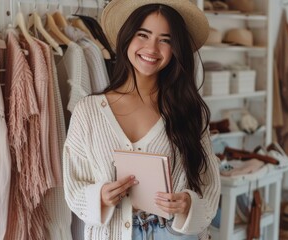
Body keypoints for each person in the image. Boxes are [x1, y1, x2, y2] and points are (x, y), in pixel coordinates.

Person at [63, 0, 221, 239]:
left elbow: (210, 186)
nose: (152, 48)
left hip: (173, 232)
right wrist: (101, 197)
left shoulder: (189, 111)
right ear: (127, 37)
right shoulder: (88, 111)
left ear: (176, 48)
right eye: (143, 35)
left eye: (165, 39)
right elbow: (74, 186)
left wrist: (188, 204)